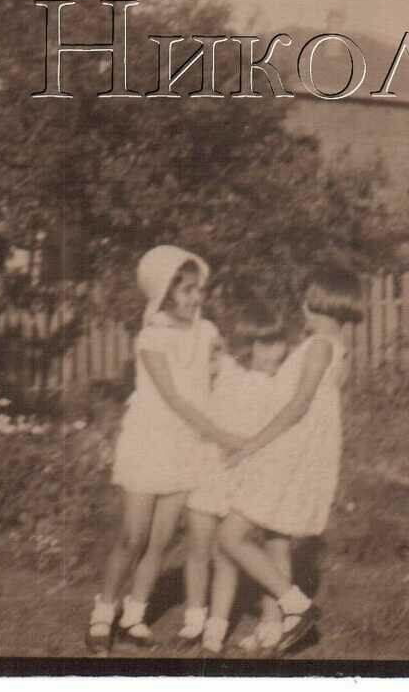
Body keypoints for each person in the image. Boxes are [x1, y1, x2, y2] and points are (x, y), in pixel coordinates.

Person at [86, 245, 244, 654]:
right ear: (164, 292)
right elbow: (175, 399)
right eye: (186, 290)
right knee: (133, 536)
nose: (195, 298)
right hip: (150, 440)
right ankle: (103, 613)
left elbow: (225, 372)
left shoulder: (207, 332)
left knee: (160, 540)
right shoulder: (152, 337)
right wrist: (220, 434)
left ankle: (134, 616)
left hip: (186, 445)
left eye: (198, 290)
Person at [217, 265, 364, 658]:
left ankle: (295, 605)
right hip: (298, 452)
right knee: (275, 541)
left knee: (230, 536)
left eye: (306, 298)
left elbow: (298, 406)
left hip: (287, 452)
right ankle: (271, 626)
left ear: (315, 303)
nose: (302, 306)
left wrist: (252, 445)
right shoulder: (337, 347)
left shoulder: (318, 346)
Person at [178, 302, 290, 655]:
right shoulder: (226, 370)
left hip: (241, 472)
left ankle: (216, 628)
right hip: (207, 466)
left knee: (226, 553)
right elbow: (200, 340)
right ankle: (194, 619)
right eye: (264, 344)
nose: (275, 352)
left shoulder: (279, 387)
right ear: (246, 346)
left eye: (279, 343)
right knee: (197, 549)